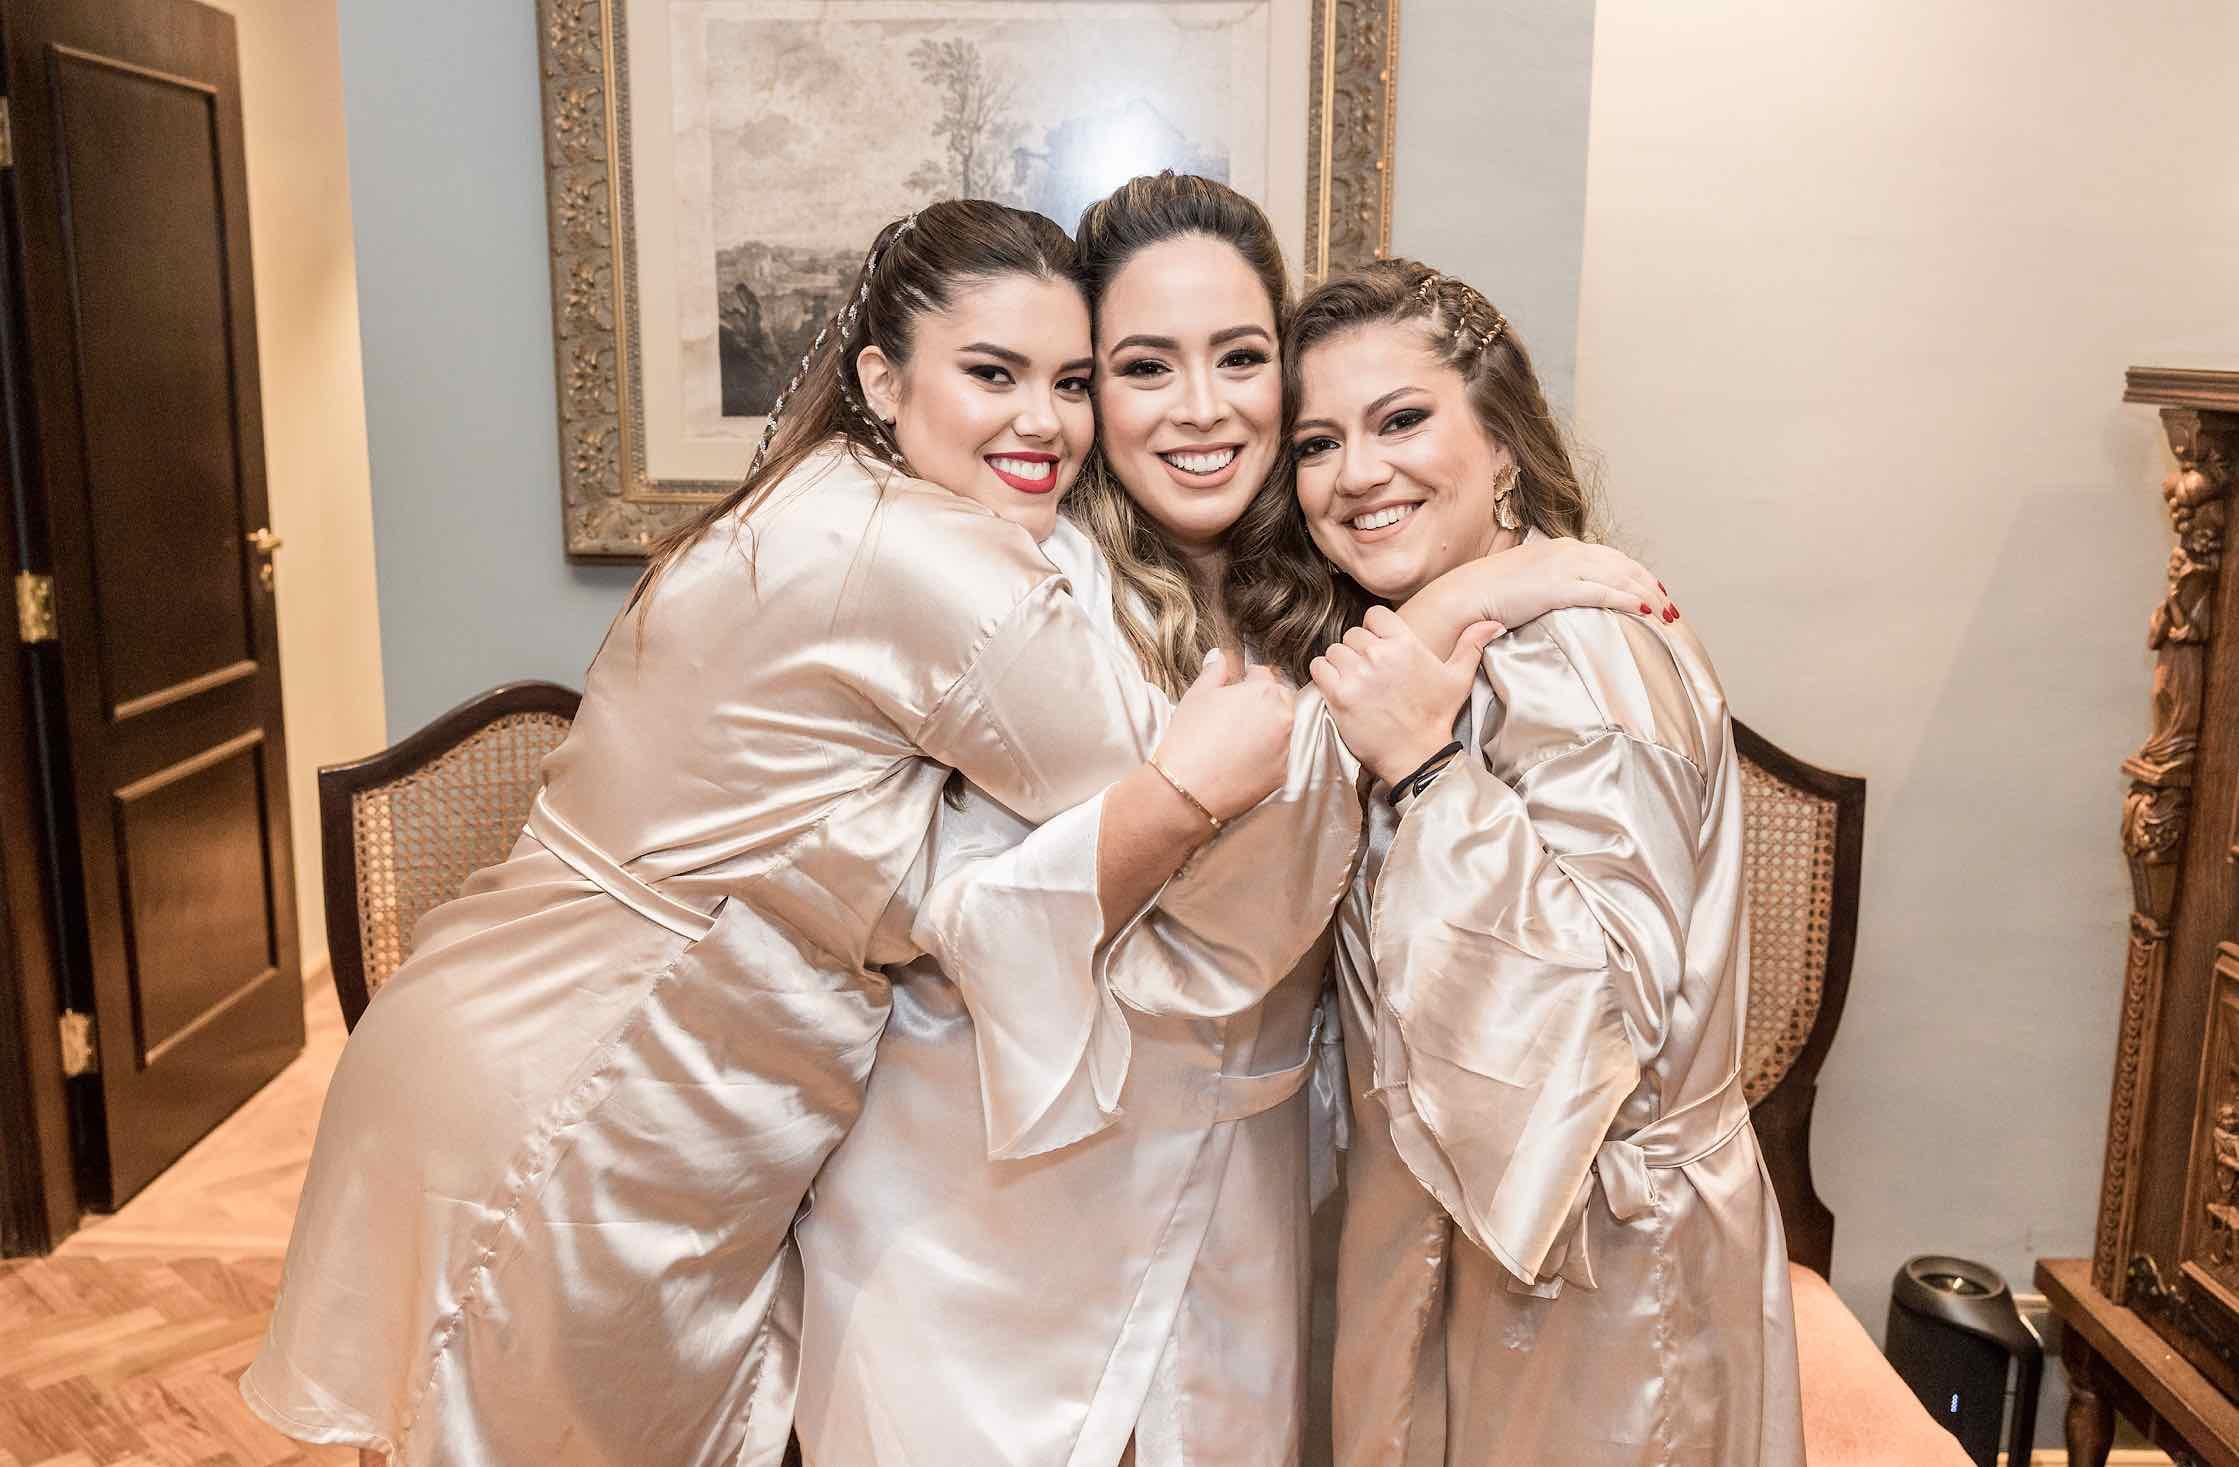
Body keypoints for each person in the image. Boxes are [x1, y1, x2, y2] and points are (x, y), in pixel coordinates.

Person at [238, 200, 1304, 1467]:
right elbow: (1186, 785)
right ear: (881, 379)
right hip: (607, 1080)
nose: (1044, 421)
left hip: (512, 1026)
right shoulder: (935, 565)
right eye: (993, 374)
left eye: (1070, 382)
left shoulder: (823, 491)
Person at [791, 176, 1673, 1466]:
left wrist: (1460, 589)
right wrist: (1457, 605)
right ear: (1091, 392)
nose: (1201, 408)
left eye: (1241, 358)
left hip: (1242, 1199)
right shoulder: (1023, 588)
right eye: (1144, 366)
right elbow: (1028, 919)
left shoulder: (1337, 587)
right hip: (984, 1212)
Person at [1283, 259, 1805, 1467]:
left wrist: (1426, 774)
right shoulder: (1439, 640)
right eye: (1318, 443)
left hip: (1597, 1275)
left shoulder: (1575, 658)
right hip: (1470, 1236)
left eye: (1400, 421)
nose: (1356, 473)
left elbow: (1599, 1017)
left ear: (1503, 444)